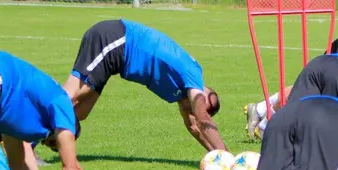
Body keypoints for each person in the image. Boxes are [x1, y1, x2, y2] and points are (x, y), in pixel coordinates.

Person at [63, 19, 226, 152]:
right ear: (203, 93)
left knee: (80, 112)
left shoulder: (184, 94)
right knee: (70, 94)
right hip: (115, 39)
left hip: (116, 57)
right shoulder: (193, 73)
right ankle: (43, 138)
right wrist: (228, 158)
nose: (192, 110)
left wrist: (217, 156)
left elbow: (194, 126)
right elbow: (202, 119)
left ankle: (53, 134)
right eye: (198, 106)